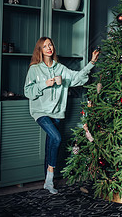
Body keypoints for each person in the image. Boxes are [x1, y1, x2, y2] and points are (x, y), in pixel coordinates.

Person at [24, 37, 99, 194]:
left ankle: (48, 182)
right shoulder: (34, 69)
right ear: (40, 50)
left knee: (51, 143)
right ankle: (50, 180)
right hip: (40, 111)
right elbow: (28, 91)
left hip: (57, 111)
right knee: (57, 138)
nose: (49, 48)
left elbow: (77, 78)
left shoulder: (61, 69)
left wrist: (91, 63)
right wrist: (45, 84)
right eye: (45, 46)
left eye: (50, 44)